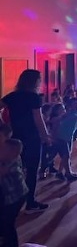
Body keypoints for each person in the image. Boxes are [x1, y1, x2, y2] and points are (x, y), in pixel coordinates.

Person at [0, 69, 50, 214]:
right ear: (34, 81)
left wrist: (4, 125)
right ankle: (30, 203)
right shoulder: (34, 97)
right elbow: (38, 119)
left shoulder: (12, 96)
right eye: (39, 79)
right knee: (32, 170)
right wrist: (46, 136)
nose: (40, 82)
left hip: (15, 136)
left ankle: (11, 198)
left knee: (14, 168)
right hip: (32, 138)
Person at [0, 136, 29, 247]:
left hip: (15, 198)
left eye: (3, 149)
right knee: (5, 223)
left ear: (12, 153)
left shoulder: (11, 162)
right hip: (14, 197)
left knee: (7, 224)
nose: (0, 149)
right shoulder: (6, 158)